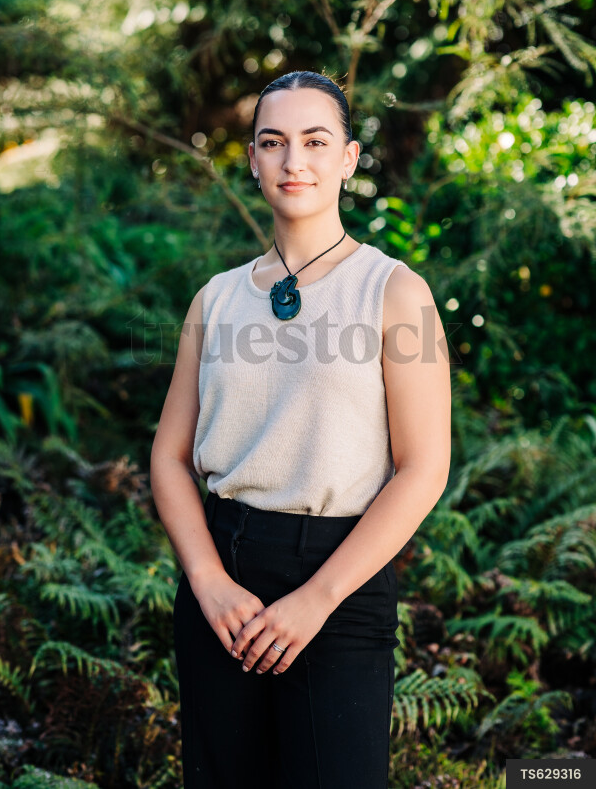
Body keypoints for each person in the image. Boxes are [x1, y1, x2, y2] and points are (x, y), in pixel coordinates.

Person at [150, 70, 451, 789]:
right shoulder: (215, 299)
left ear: (348, 158)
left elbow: (424, 468)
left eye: (316, 141)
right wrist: (208, 582)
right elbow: (167, 458)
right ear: (251, 159)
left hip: (339, 578)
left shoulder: (394, 291)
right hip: (221, 581)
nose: (295, 162)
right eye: (273, 142)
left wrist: (317, 598)